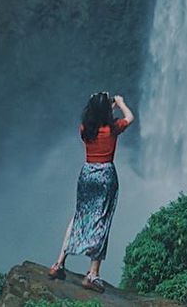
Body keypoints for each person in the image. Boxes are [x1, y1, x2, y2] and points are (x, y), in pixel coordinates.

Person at [48, 91, 135, 293]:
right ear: (107, 110)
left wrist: (103, 107)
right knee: (101, 220)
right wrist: (120, 103)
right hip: (105, 175)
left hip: (87, 173)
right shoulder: (112, 128)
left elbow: (96, 118)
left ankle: (58, 264)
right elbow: (130, 118)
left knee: (79, 216)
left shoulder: (84, 129)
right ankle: (92, 275)